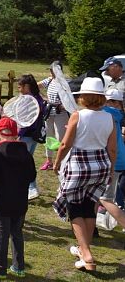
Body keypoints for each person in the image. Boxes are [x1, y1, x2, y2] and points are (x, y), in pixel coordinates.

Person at [53, 77, 116, 272]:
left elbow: (65, 144)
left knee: (74, 208)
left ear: (83, 97)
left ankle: (87, 253)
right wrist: (110, 169)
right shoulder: (109, 117)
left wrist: (56, 163)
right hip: (101, 164)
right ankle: (83, 249)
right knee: (90, 207)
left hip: (79, 164)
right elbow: (112, 149)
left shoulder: (78, 116)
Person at [0, 117, 36, 279]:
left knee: (2, 235)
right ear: (16, 135)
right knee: (17, 233)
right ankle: (19, 266)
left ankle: (0, 267)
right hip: (19, 201)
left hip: (1, 202)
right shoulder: (26, 154)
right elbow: (31, 176)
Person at [98, 89, 125, 228]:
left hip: (113, 160)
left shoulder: (108, 112)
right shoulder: (117, 114)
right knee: (96, 196)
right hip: (115, 159)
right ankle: (92, 229)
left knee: (106, 199)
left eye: (106, 100)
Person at [16, 74, 44, 200]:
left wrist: (19, 135)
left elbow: (26, 121)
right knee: (27, 161)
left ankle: (31, 188)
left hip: (27, 136)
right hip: (34, 136)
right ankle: (29, 187)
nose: (19, 89)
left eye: (20, 86)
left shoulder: (29, 100)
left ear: (27, 86)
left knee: (23, 163)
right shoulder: (38, 98)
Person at [38, 61, 69, 171]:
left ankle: (61, 161)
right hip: (49, 112)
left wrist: (63, 105)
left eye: (52, 70)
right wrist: (44, 98)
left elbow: (70, 98)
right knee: (49, 137)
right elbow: (36, 86)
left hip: (61, 114)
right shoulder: (49, 80)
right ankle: (49, 161)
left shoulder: (65, 82)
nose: (51, 72)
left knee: (61, 137)